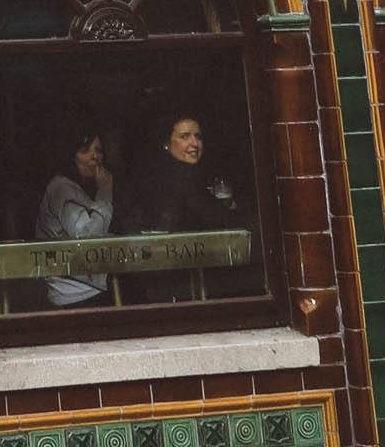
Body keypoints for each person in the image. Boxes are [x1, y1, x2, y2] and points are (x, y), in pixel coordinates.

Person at [35, 131, 116, 307]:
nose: (95, 157)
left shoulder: (78, 187)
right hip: (76, 296)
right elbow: (88, 237)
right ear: (70, 155)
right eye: (85, 150)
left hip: (86, 291)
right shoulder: (62, 188)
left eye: (98, 150)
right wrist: (105, 192)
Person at [130, 113, 237, 238]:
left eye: (198, 137)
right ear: (167, 144)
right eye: (185, 137)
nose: (195, 143)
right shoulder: (169, 178)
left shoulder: (197, 174)